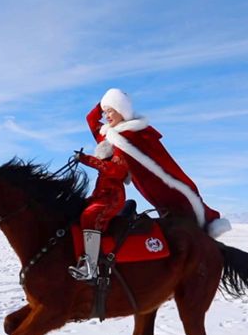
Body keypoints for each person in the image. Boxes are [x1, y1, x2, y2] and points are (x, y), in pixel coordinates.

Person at [86, 88, 231, 238]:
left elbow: (160, 162)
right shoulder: (110, 134)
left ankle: (204, 232)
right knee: (168, 215)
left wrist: (88, 160)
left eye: (110, 111)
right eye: (105, 112)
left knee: (182, 211)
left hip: (158, 184)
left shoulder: (133, 134)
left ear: (121, 111)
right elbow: (91, 119)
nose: (106, 116)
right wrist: (105, 102)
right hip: (144, 185)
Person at [68, 140, 129, 281]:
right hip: (101, 199)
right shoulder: (104, 169)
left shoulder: (118, 165)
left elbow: (109, 169)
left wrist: (85, 159)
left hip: (112, 200)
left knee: (89, 216)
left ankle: (91, 267)